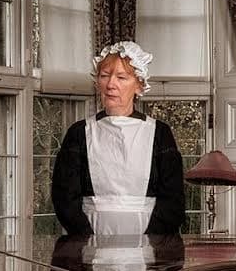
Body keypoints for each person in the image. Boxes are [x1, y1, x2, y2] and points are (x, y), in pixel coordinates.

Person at [51, 40, 185, 236]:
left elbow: (173, 200)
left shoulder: (160, 133)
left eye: (122, 77)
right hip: (89, 246)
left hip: (150, 246)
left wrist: (151, 244)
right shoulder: (79, 133)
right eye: (104, 76)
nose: (111, 84)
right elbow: (65, 199)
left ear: (139, 85)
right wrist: (87, 242)